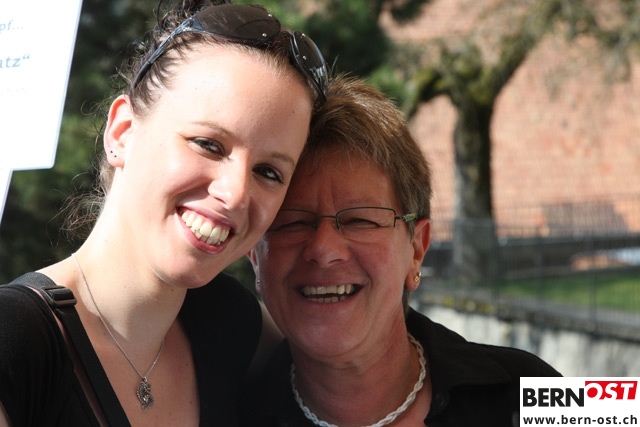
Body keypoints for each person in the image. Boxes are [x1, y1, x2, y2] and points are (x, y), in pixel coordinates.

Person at [0, 1, 328, 426]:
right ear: (122, 133)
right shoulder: (16, 341)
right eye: (208, 144)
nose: (235, 194)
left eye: (269, 172)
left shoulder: (233, 326)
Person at [243, 74, 561, 427]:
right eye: (292, 222)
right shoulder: (221, 413)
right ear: (254, 253)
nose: (323, 249)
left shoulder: (537, 391)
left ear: (416, 249)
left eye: (360, 220)